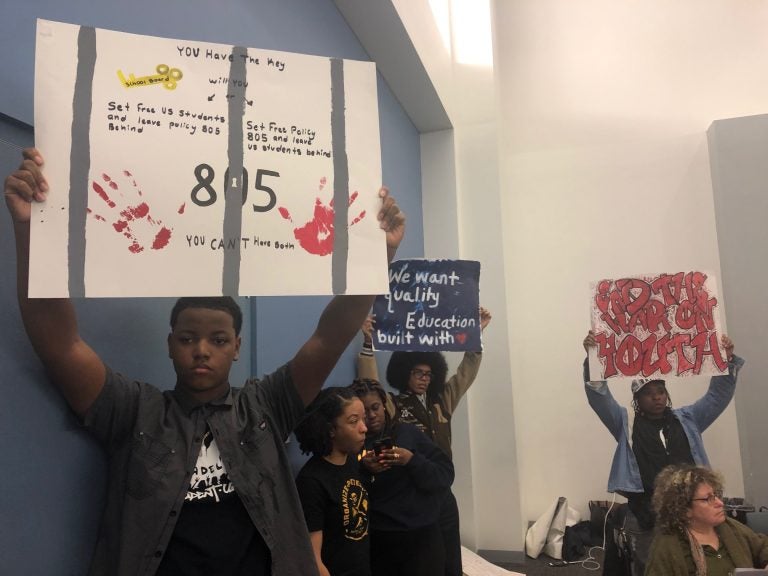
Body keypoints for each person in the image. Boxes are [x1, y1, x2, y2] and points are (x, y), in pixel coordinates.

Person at [4, 147, 405, 576]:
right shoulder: (134, 411)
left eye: (218, 340)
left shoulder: (266, 405)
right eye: (188, 338)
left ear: (236, 347)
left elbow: (329, 338)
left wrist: (375, 257)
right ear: (170, 344)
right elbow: (60, 346)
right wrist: (30, 229)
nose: (201, 350)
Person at [582, 330, 744, 576]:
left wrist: (727, 360)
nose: (656, 397)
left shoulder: (688, 419)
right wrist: (592, 358)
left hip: (692, 508)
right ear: (637, 399)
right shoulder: (625, 423)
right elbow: (599, 397)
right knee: (651, 567)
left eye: (660, 391)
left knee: (695, 563)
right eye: (648, 393)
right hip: (646, 513)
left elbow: (717, 396)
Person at [357, 307, 490, 576]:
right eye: (417, 373)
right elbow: (371, 386)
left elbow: (466, 374)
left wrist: (476, 334)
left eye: (428, 374)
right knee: (427, 557)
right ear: (405, 373)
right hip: (413, 492)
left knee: (451, 552)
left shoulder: (442, 401)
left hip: (442, 488)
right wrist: (368, 342)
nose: (423, 379)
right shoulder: (393, 405)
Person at [351, 379, 454, 576]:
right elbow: (348, 492)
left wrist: (410, 460)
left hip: (422, 537)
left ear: (384, 405)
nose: (372, 416)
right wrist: (364, 469)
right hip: (380, 540)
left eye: (376, 407)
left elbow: (445, 474)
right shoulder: (353, 445)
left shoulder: (408, 433)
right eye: (364, 412)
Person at [294, 387, 371, 576]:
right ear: (331, 430)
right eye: (354, 421)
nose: (364, 428)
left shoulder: (353, 463)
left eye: (363, 419)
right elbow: (313, 558)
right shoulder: (311, 481)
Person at [646, 464, 768, 575]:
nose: (720, 503)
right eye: (708, 499)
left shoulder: (730, 527)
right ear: (684, 509)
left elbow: (763, 546)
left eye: (717, 495)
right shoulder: (667, 547)